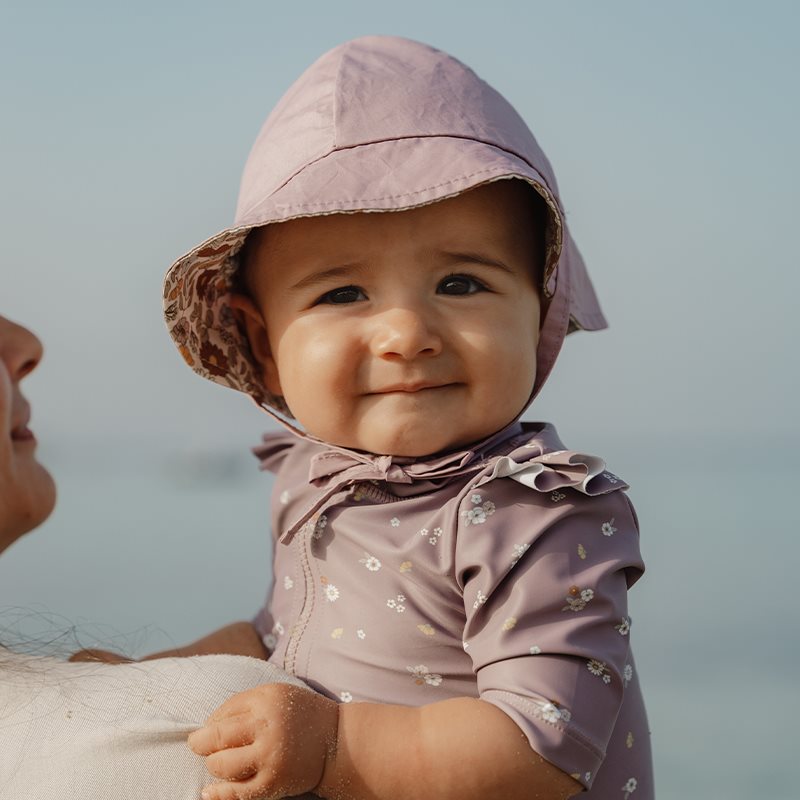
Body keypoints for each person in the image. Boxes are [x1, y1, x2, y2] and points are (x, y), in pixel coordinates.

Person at [161, 35, 654, 800]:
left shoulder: (533, 512)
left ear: (540, 311)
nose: (406, 335)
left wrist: (331, 747)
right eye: (342, 294)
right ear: (263, 342)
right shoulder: (314, 479)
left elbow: (542, 746)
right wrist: (148, 680)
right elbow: (281, 638)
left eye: (461, 283)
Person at [0, 314, 316, 799]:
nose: (27, 343)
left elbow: (287, 633)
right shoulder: (198, 734)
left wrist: (154, 669)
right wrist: (338, 746)